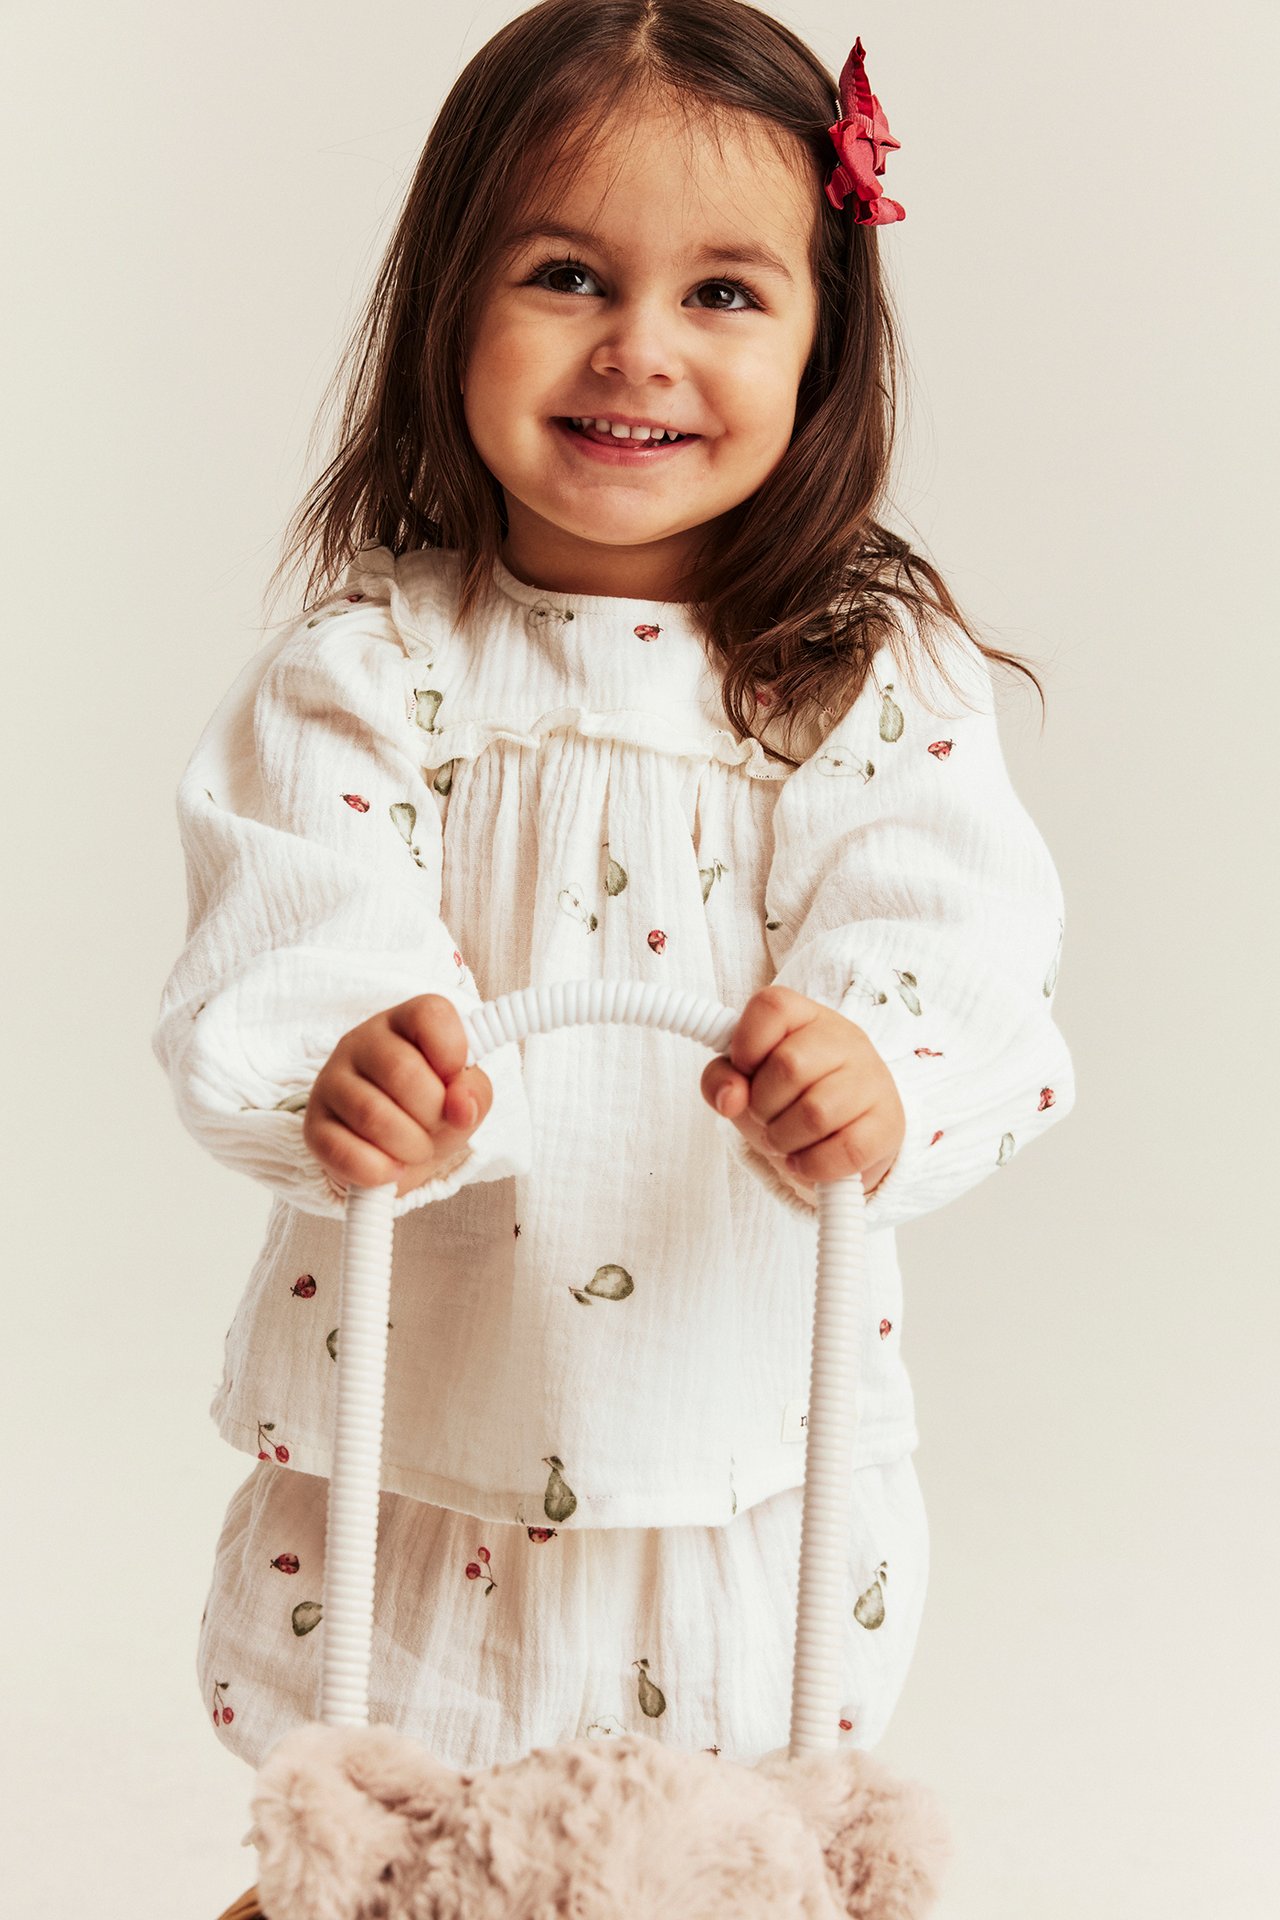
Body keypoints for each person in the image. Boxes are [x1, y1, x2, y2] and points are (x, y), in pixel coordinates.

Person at [151, 0, 1076, 1776]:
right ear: (449, 308)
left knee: (732, 1780)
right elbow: (300, 916)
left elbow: (951, 933)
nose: (638, 349)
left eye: (724, 292)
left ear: (822, 344)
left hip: (736, 1392)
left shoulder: (850, 675)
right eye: (568, 274)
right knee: (395, 1769)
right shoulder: (373, 669)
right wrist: (364, 1061)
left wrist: (874, 1070)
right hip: (429, 1375)